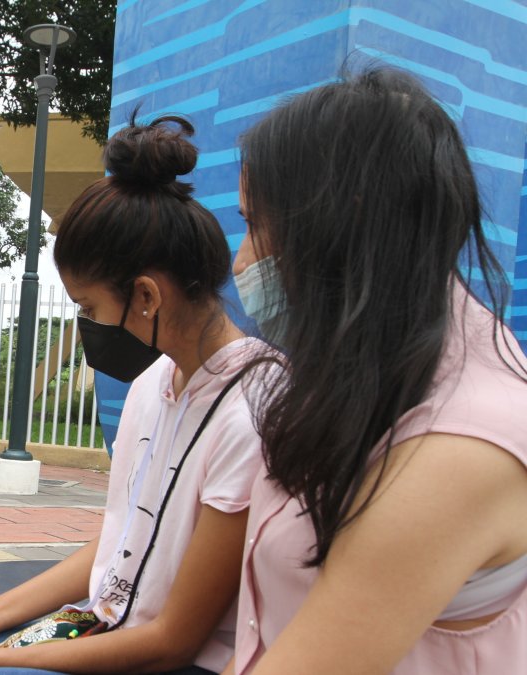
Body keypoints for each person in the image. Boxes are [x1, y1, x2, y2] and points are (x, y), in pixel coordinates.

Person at [0, 116, 268, 674]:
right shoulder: (151, 384)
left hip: (169, 660)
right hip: (101, 621)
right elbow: (120, 543)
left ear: (145, 297)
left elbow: (173, 640)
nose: (86, 324)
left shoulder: (252, 411)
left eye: (88, 308)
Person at [226, 67, 527, 674]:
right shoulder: (368, 374)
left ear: (340, 222)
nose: (241, 260)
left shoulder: (460, 445)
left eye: (255, 225)